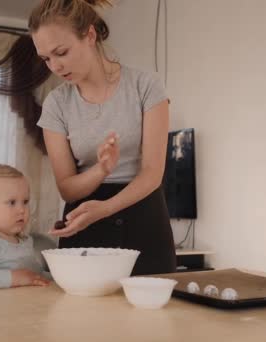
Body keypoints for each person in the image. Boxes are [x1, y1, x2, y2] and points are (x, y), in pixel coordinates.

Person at [30, 0, 176, 275]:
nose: (55, 66)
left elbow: (153, 173)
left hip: (145, 219)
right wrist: (101, 170)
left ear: (90, 35)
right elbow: (67, 188)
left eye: (61, 52)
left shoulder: (146, 86)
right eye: (46, 58)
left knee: (151, 318)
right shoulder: (56, 104)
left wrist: (106, 208)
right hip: (84, 222)